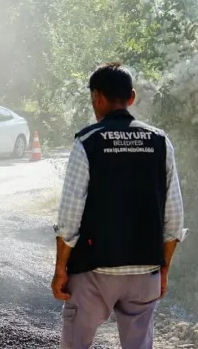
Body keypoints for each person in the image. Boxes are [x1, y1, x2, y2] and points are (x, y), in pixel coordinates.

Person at [51, 62, 187, 349]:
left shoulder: (87, 142)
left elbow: (69, 218)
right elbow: (173, 219)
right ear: (132, 97)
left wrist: (61, 268)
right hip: (145, 269)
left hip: (93, 270)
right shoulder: (161, 142)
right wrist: (163, 269)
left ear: (96, 98)